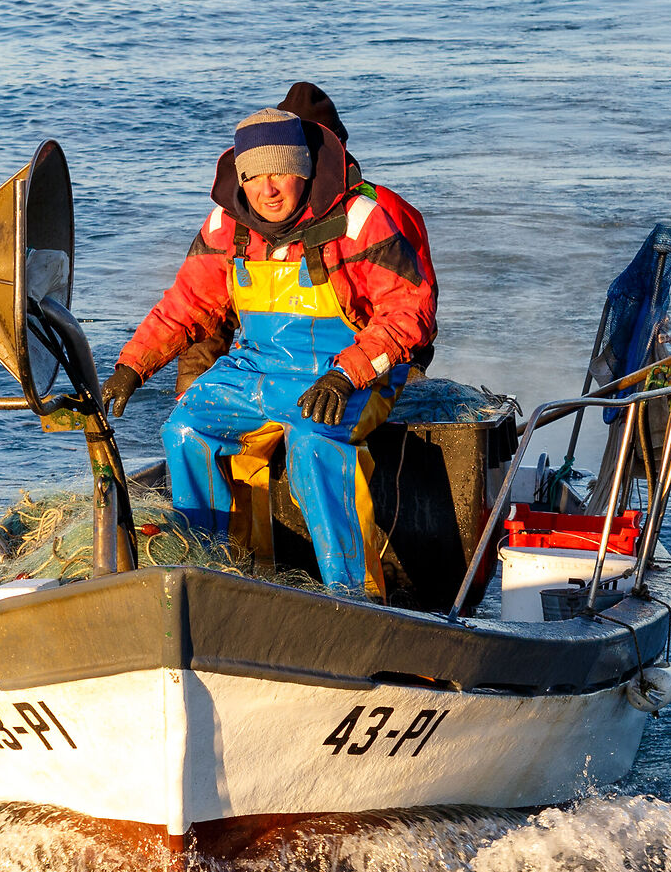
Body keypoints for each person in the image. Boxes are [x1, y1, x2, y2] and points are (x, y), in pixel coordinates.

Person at [100, 91, 437, 599]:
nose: (267, 188)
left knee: (314, 443)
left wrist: (348, 373)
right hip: (255, 366)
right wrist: (132, 365)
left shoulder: (363, 218)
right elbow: (187, 304)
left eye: (279, 172)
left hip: (343, 373)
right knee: (186, 428)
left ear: (303, 170)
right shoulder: (223, 226)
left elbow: (411, 311)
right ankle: (218, 575)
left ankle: (354, 596)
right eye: (253, 175)